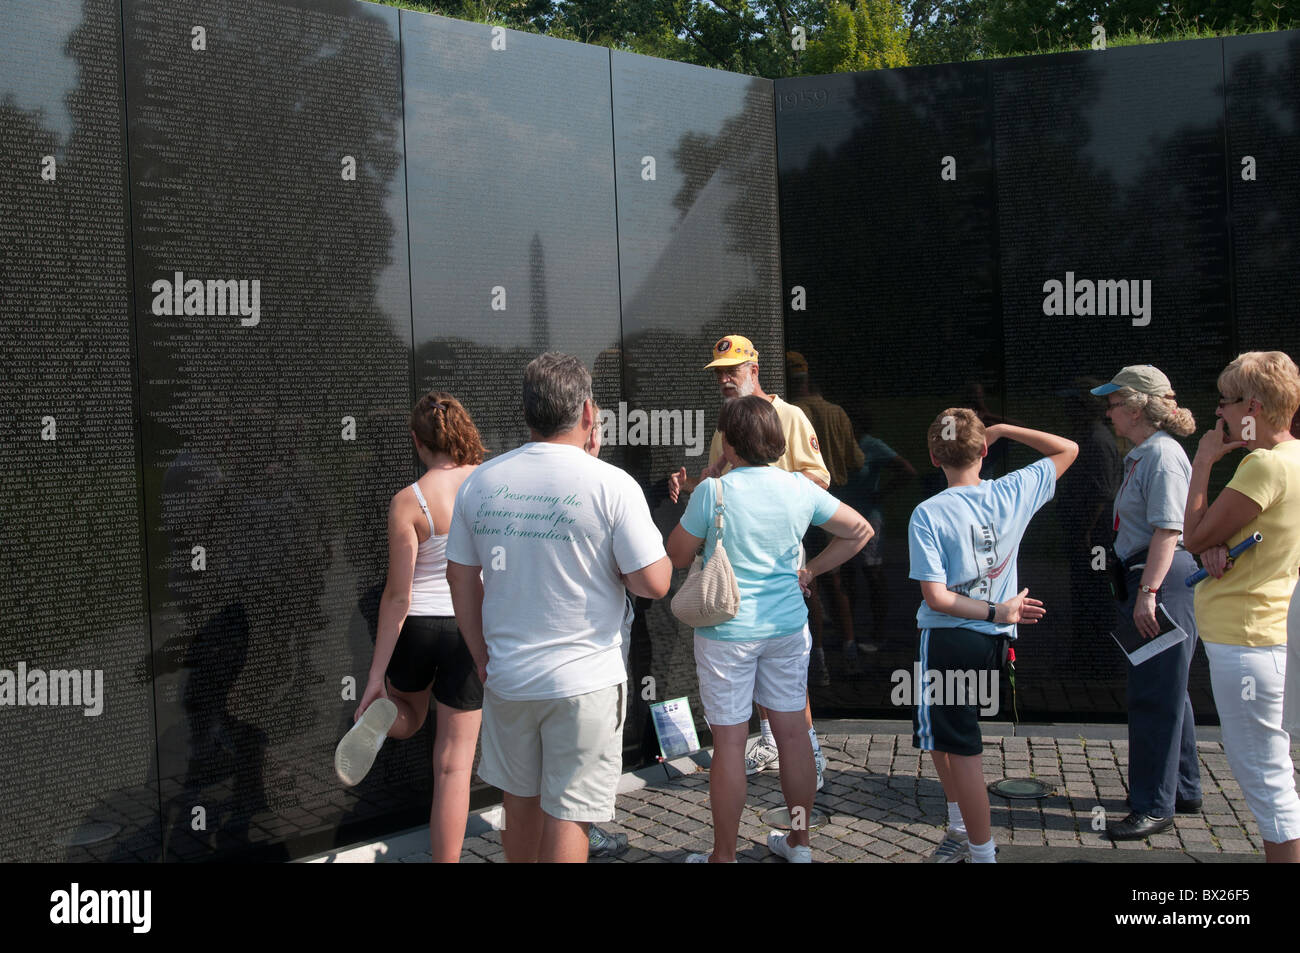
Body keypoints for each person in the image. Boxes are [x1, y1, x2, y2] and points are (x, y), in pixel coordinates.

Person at [446, 353, 672, 863]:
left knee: (518, 803)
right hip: (586, 680)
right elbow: (656, 582)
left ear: (527, 413)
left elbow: (459, 575)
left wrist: (481, 655)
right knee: (571, 813)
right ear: (589, 414)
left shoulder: (480, 482)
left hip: (508, 675)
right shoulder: (612, 485)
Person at [666, 396, 871, 862]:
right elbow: (859, 530)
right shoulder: (799, 488)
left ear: (730, 443)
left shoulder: (713, 492)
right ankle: (799, 842)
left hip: (726, 633)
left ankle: (724, 854)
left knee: (730, 745)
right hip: (787, 629)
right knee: (795, 738)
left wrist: (706, 486)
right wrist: (812, 570)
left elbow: (677, 556)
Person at [908, 409, 1077, 863]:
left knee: (961, 749)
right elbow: (1067, 449)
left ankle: (980, 851)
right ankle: (962, 831)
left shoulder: (927, 512)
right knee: (948, 738)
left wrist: (995, 609)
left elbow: (938, 598)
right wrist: (1004, 431)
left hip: (950, 640)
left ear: (932, 457)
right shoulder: (1013, 490)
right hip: (994, 641)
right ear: (984, 451)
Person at [667, 335, 832, 786]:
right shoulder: (725, 422)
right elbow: (718, 479)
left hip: (775, 552)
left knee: (782, 647)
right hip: (730, 561)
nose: (724, 379)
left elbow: (819, 477)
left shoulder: (791, 415)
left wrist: (769, 499)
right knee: (763, 651)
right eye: (719, 372)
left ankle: (807, 747)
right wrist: (696, 484)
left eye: (732, 370)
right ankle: (772, 741)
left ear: (755, 369)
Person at [333, 392, 486, 863]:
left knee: (411, 715)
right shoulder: (486, 486)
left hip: (419, 627)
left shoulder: (408, 502)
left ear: (418, 442)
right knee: (453, 767)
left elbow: (396, 597)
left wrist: (376, 676)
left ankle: (387, 720)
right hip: (466, 628)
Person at [1183, 351, 1300, 863]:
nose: (1219, 416)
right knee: (1274, 770)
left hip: (1246, 640)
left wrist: (1204, 460)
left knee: (1265, 778)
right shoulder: (1294, 457)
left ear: (1252, 405)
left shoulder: (1262, 464)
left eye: (1226, 404)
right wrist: (1222, 543)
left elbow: (1191, 536)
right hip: (1275, 631)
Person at [1090, 366, 1202, 840]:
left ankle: (1153, 805)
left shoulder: (1161, 456)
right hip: (1150, 575)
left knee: (1154, 695)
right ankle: (1182, 788)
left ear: (1136, 407)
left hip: (1158, 578)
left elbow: (1168, 530)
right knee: (1169, 688)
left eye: (1114, 404)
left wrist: (1149, 594)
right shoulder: (1147, 453)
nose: (1108, 412)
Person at [786, 351, 864, 682]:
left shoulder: (792, 414)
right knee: (836, 581)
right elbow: (856, 459)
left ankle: (818, 658)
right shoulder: (837, 412)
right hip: (837, 500)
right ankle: (850, 648)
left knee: (809, 581)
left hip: (806, 505)